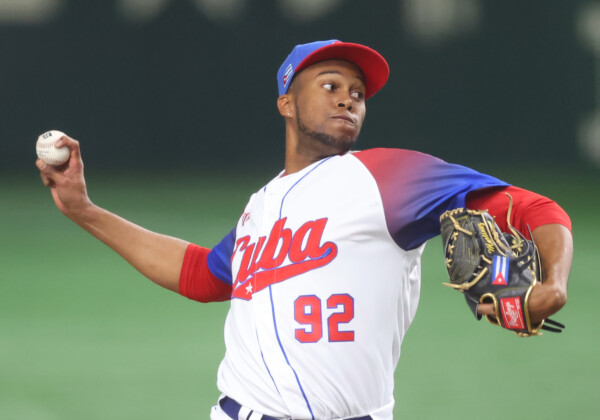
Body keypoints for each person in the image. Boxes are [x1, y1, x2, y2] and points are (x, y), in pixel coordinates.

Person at [36, 40, 573, 420]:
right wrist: (84, 210)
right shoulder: (260, 206)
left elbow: (536, 208)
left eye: (358, 93)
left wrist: (553, 283)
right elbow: (201, 276)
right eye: (331, 85)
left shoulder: (388, 174)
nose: (348, 98)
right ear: (286, 104)